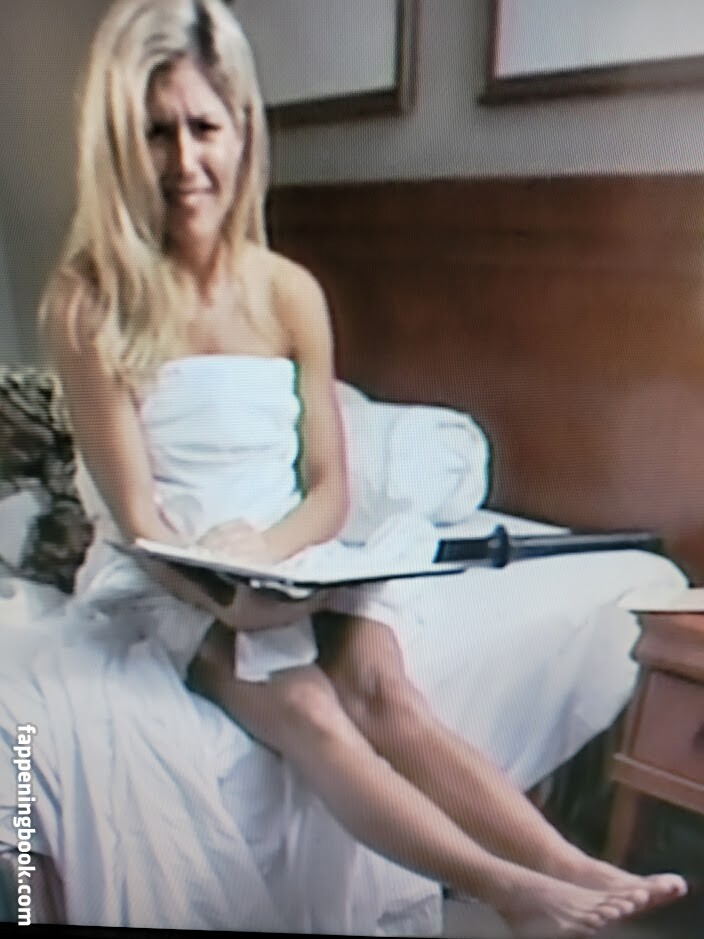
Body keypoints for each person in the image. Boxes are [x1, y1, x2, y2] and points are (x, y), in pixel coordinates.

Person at [39, 1, 687, 935]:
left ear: (243, 129)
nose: (185, 162)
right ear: (119, 144)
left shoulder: (288, 292)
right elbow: (138, 516)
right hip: (169, 576)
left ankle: (570, 862)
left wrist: (275, 559)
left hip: (288, 556)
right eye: (156, 132)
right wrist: (229, 592)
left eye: (204, 128)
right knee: (308, 705)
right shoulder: (88, 303)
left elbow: (331, 489)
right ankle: (517, 895)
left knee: (385, 689)